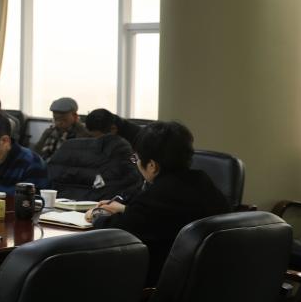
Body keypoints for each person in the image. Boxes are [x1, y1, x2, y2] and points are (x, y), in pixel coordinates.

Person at [87, 121, 230, 285]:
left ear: (152, 165)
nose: (136, 163)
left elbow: (115, 233)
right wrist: (125, 209)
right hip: (209, 282)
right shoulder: (203, 183)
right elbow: (158, 220)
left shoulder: (157, 196)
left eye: (136, 158)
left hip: (159, 287)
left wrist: (97, 214)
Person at [47, 108, 142, 201]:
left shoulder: (69, 144)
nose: (95, 142)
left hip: (63, 199)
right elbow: (133, 180)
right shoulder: (120, 147)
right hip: (102, 201)